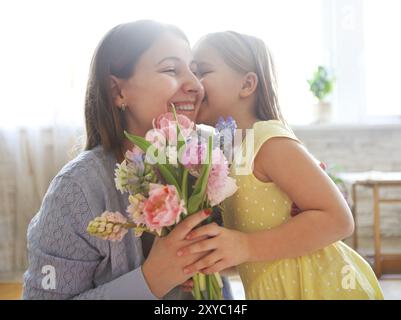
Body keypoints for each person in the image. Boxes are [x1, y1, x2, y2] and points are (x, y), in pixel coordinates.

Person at [23, 20, 229, 300]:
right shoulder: (76, 192)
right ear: (118, 91)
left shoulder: (205, 161)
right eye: (171, 69)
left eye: (194, 70)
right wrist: (151, 279)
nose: (195, 85)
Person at [178, 31, 384, 299]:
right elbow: (257, 243)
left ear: (247, 85)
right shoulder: (227, 153)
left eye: (202, 70)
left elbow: (339, 219)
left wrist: (246, 246)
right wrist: (217, 260)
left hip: (319, 288)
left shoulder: (268, 141)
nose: (194, 83)